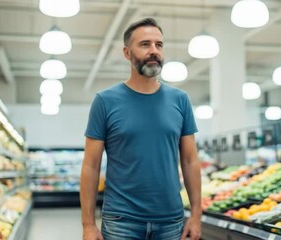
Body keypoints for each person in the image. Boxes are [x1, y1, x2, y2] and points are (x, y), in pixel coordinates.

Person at [80, 18, 201, 240]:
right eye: (145, 44)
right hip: (121, 221)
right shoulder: (105, 101)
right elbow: (90, 165)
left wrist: (196, 215)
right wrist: (88, 225)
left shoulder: (180, 100)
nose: (154, 50)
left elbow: (190, 161)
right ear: (127, 53)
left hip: (171, 221)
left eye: (159, 45)